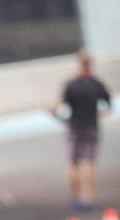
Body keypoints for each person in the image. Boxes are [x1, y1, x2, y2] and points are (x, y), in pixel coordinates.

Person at [51, 49, 111, 210]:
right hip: (91, 126)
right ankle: (88, 198)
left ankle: (76, 197)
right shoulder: (96, 84)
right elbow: (108, 107)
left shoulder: (71, 84)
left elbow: (57, 109)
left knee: (73, 163)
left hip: (74, 128)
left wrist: (60, 118)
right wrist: (99, 114)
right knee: (89, 162)